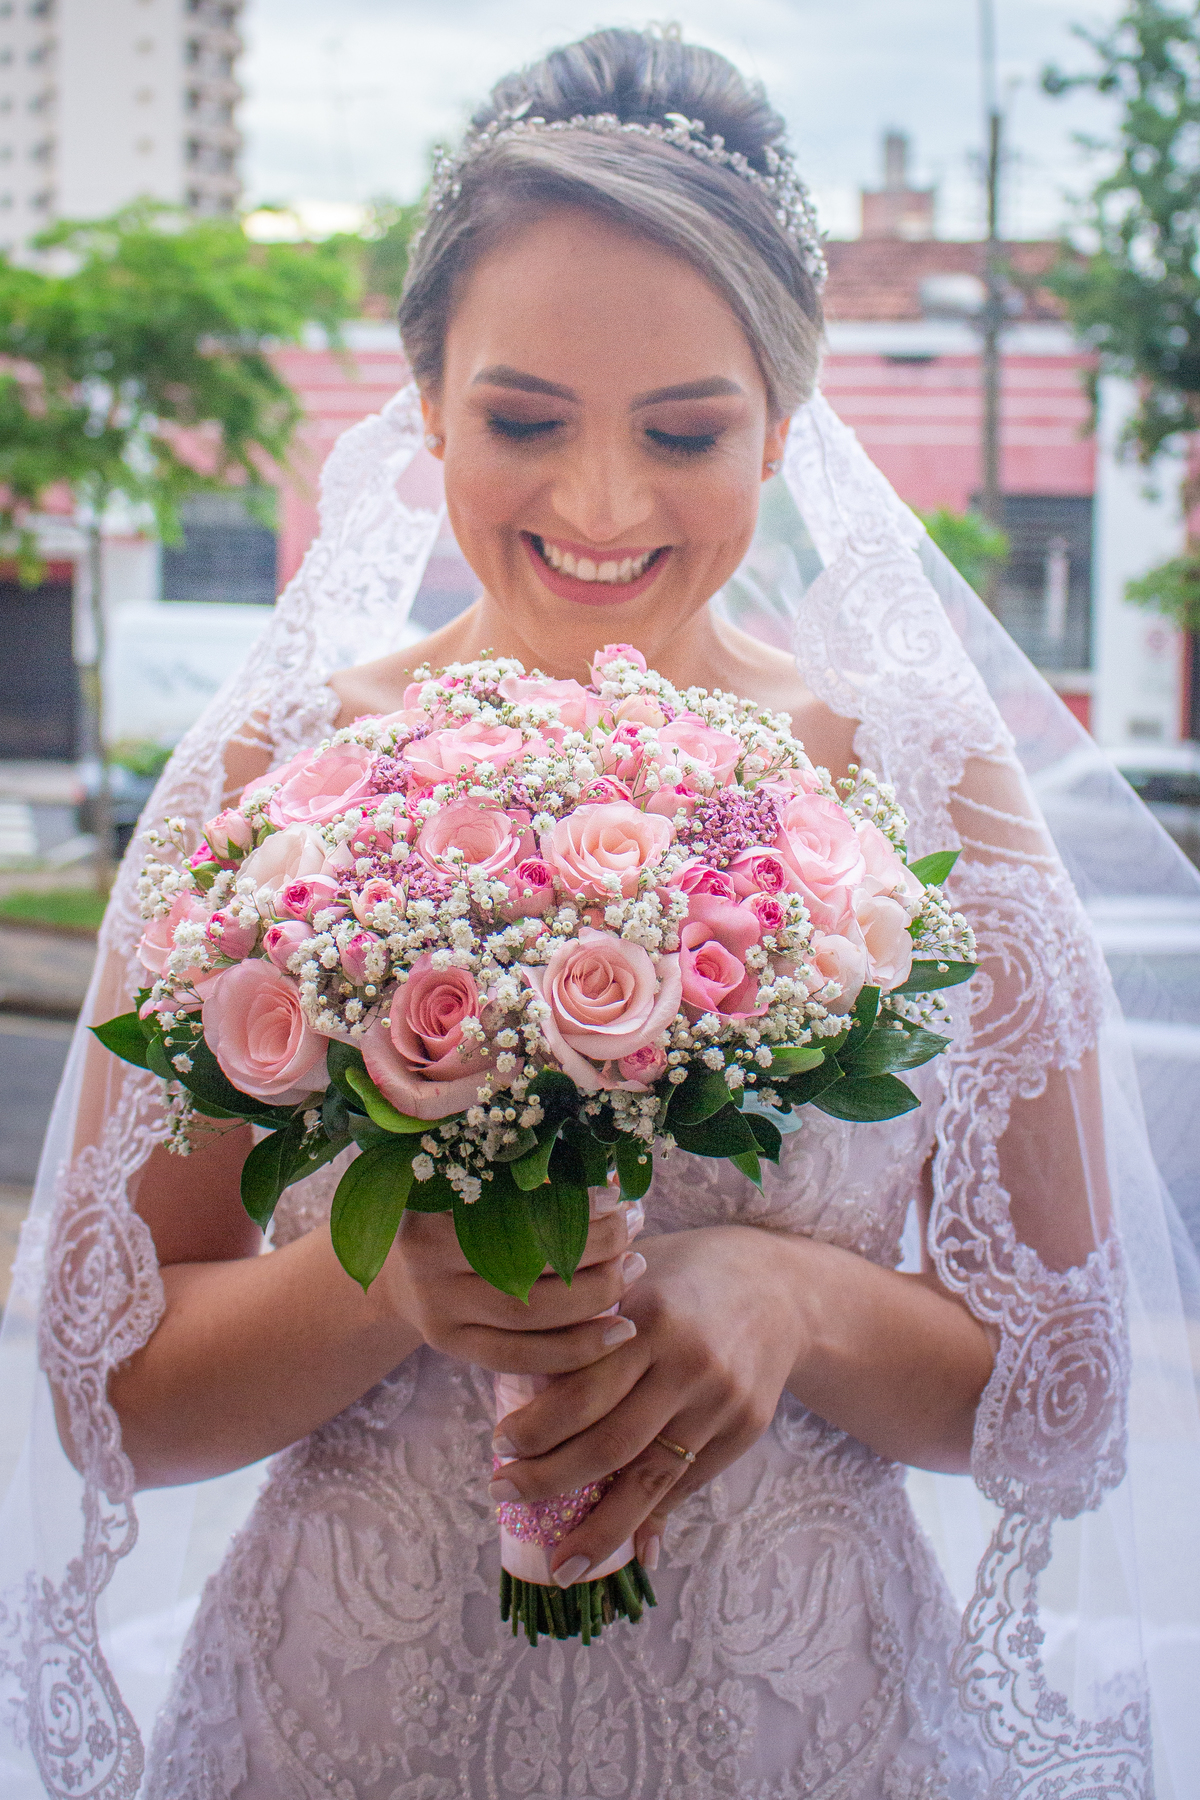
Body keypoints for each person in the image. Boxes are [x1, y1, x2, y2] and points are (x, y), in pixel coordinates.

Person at [2, 27, 1197, 1800]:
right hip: (342, 1723)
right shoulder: (280, 775)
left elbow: (1071, 1398)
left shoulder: (931, 789)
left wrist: (793, 1302)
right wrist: (390, 1276)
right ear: (425, 408)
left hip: (803, 1726)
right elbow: (110, 1396)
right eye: (523, 419)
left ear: (783, 424)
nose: (604, 502)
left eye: (688, 430)